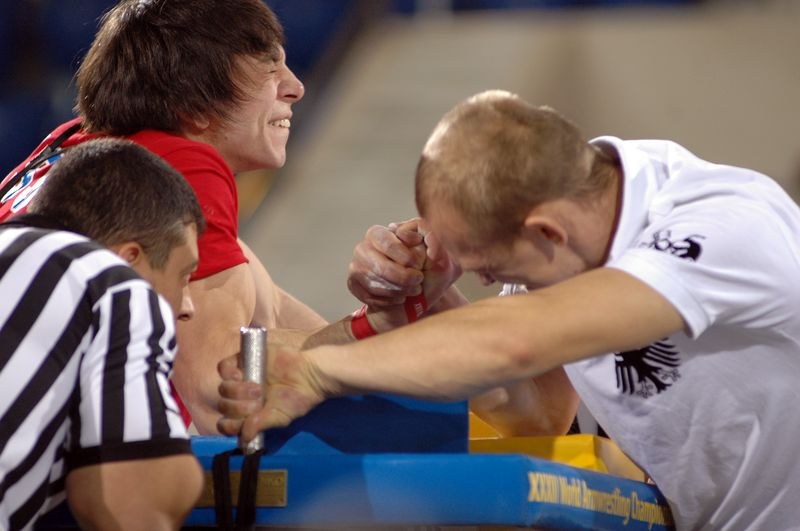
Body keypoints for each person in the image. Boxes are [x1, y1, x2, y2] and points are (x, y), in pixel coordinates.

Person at [217, 90, 800, 529]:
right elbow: (536, 415)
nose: (486, 280)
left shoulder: (723, 226)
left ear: (546, 231)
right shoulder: (567, 232)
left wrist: (319, 369)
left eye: (490, 268)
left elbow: (514, 341)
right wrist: (426, 301)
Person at [0, 0, 455, 433]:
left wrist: (405, 306)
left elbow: (299, 333)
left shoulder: (70, 152)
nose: (295, 86)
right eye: (270, 67)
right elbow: (221, 396)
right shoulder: (177, 163)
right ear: (195, 104)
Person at [0, 139, 204, 530]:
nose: (187, 306)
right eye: (184, 276)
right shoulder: (111, 282)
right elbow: (135, 506)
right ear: (129, 259)